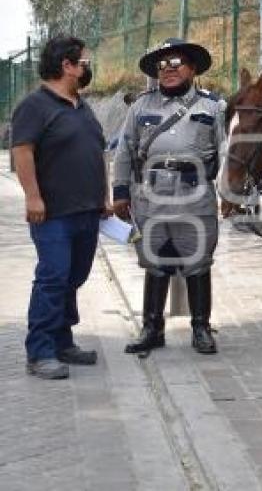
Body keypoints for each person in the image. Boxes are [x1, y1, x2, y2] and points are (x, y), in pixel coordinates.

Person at [112, 38, 226, 355]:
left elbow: (226, 151)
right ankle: (152, 329)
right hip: (151, 198)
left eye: (176, 63)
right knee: (155, 262)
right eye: (162, 65)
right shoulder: (141, 107)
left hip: (195, 196)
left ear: (191, 69)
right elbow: (124, 151)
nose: (168, 70)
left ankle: (201, 329)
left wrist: (230, 192)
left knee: (198, 261)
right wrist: (120, 191)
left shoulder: (211, 106)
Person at [11, 34, 107, 379]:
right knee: (53, 278)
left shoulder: (82, 106)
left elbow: (97, 153)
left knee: (73, 278)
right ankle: (39, 352)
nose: (88, 67)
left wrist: (104, 197)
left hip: (87, 209)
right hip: (52, 213)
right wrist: (33, 197)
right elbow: (22, 152)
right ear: (66, 66)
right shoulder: (34, 106)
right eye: (84, 61)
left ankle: (63, 342)